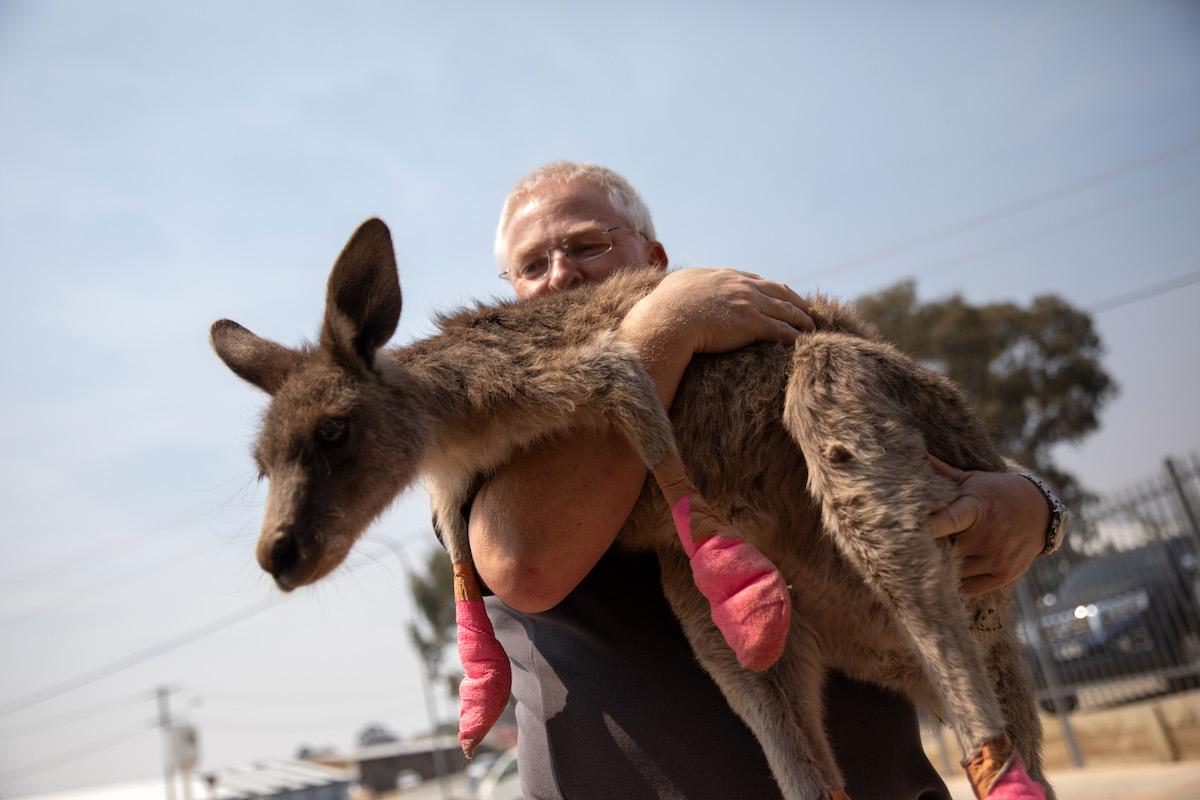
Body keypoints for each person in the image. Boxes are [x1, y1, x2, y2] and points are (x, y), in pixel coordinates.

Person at [462, 161, 1065, 799]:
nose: (561, 274)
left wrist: (1035, 503)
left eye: (588, 245)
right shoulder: (502, 424)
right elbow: (522, 563)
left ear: (654, 255)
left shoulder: (751, 334)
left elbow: (901, 422)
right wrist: (667, 326)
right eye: (532, 266)